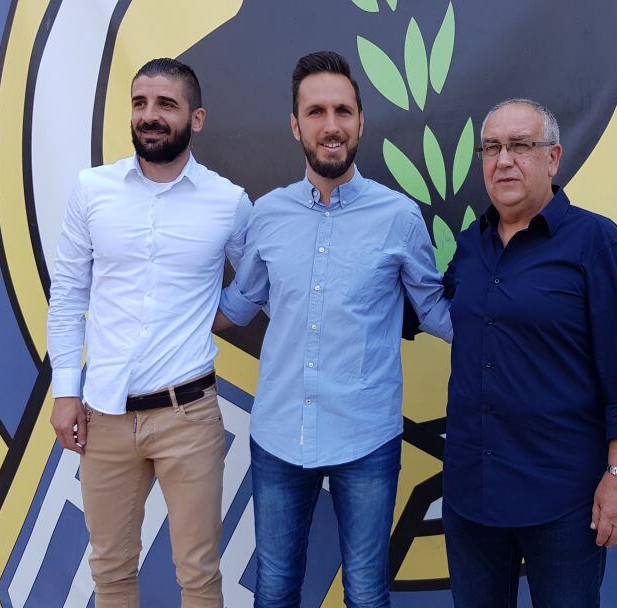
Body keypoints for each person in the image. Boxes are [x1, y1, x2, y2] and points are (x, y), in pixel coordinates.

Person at [213, 51, 451, 608]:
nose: (331, 125)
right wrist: (157, 323)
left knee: (366, 594)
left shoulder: (399, 217)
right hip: (278, 434)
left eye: (343, 111)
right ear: (296, 125)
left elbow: (436, 310)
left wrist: (524, 334)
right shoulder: (267, 215)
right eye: (316, 111)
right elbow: (239, 305)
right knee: (274, 590)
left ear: (361, 122)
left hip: (366, 438)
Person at [440, 99, 617, 607]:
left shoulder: (595, 242)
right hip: (473, 494)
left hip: (561, 500)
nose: (503, 160)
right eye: (492, 147)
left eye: (521, 145)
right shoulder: (471, 245)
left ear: (553, 158)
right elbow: (429, 306)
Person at [47, 58, 250, 608]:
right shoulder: (93, 190)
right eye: (140, 103)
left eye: (165, 105)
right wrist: (66, 391)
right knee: (110, 571)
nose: (150, 116)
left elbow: (259, 282)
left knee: (200, 575)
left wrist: (217, 313)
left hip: (188, 417)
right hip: (103, 416)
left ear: (197, 117)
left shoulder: (228, 202)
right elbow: (67, 292)